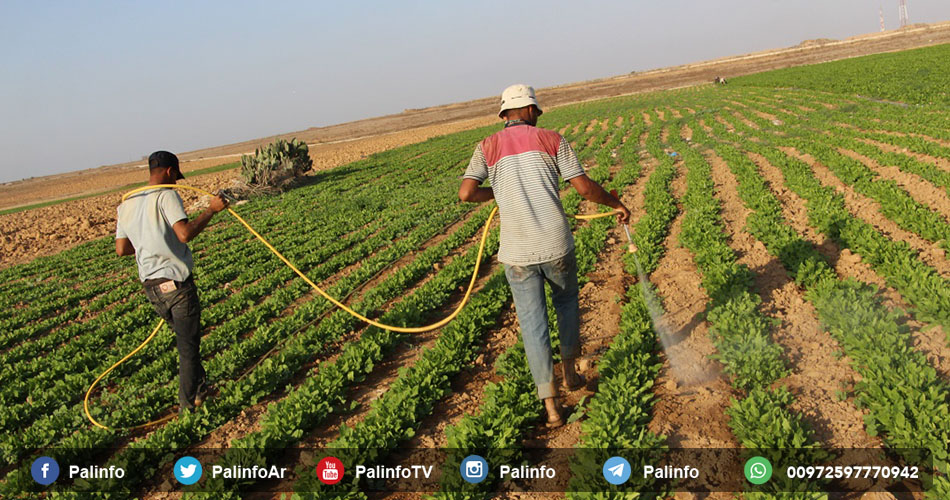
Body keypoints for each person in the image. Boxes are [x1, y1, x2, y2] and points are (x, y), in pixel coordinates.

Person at [458, 84, 631, 427]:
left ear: (505, 113)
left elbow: (466, 193)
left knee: (533, 323)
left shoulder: (486, 146)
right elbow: (582, 187)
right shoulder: (552, 139)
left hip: (517, 253)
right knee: (566, 306)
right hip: (556, 245)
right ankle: (570, 375)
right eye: (536, 110)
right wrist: (616, 203)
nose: (538, 116)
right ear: (529, 110)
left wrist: (500, 193)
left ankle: (551, 407)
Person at [115, 150, 229, 414]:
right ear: (169, 172)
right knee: (188, 348)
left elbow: (121, 249)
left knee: (186, 341)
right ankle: (188, 407)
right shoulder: (167, 195)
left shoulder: (127, 204)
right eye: (176, 176)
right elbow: (185, 234)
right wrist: (211, 211)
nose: (177, 181)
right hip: (177, 287)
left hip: (153, 289)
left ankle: (199, 391)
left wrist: (149, 244)